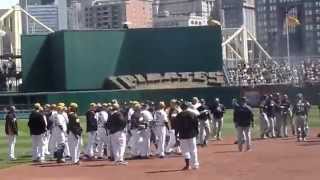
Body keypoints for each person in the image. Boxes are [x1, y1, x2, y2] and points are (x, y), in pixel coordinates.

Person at [176, 102, 200, 170]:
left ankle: (187, 165)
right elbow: (196, 125)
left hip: (182, 135)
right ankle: (195, 164)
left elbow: (177, 127)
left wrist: (176, 135)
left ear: (181, 108)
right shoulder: (192, 114)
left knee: (185, 150)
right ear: (187, 107)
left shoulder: (179, 115)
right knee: (193, 150)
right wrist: (197, 133)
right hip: (192, 134)